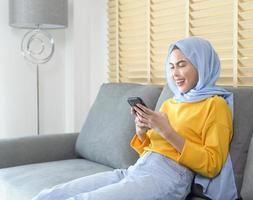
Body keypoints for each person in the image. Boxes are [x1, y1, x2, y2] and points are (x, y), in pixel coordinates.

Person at [33, 37, 238, 200]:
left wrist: (166, 130)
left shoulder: (215, 104)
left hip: (169, 177)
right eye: (172, 66)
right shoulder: (172, 103)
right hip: (138, 169)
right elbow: (150, 150)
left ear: (201, 65)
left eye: (182, 64)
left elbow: (212, 165)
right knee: (52, 195)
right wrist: (142, 131)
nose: (175, 73)